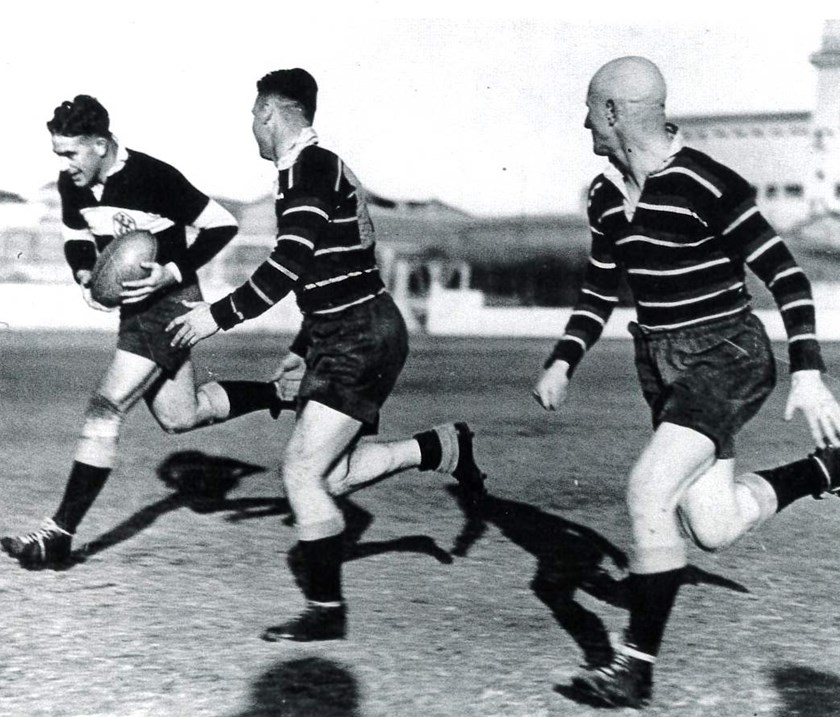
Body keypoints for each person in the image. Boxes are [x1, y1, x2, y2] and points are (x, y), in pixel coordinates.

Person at [533, 56, 840, 709]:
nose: (583, 119)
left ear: (614, 112)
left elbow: (787, 277)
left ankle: (634, 667)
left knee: (648, 490)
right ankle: (826, 470)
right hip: (661, 362)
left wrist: (809, 371)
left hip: (727, 353)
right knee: (715, 522)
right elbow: (598, 287)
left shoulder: (708, 182)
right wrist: (564, 358)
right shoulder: (603, 195)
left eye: (590, 107)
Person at [167, 68, 486, 642]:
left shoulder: (311, 169)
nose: (252, 129)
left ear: (269, 113)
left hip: (359, 335)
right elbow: (328, 269)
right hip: (346, 332)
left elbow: (288, 265)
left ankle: (325, 611)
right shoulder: (305, 172)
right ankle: (441, 447)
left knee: (301, 472)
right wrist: (301, 346)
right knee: (330, 476)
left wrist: (214, 317)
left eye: (253, 117)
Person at [1, 95, 290, 568]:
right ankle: (281, 394)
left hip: (172, 305)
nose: (64, 164)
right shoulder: (73, 183)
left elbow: (221, 224)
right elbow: (77, 236)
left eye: (71, 152)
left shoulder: (154, 176)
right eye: (58, 154)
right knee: (181, 416)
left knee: (106, 406)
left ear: (100, 144)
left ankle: (58, 534)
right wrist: (84, 274)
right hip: (135, 315)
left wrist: (171, 272)